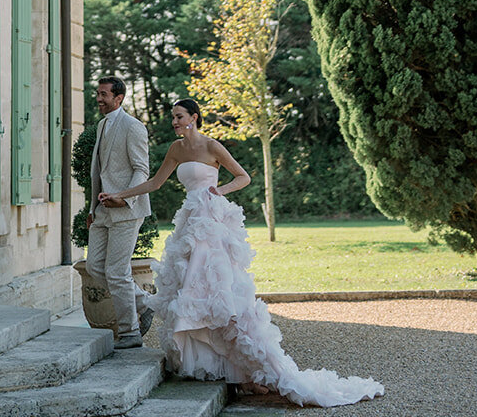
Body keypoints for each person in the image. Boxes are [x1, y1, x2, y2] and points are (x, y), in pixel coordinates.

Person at [102, 98, 384, 407]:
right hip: (189, 224)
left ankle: (245, 369)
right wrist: (119, 195)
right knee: (192, 289)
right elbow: (155, 183)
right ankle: (211, 365)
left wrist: (218, 191)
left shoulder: (212, 146)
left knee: (217, 291)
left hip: (211, 222)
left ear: (194, 117)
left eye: (179, 116)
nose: (174, 122)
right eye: (173, 117)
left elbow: (243, 176)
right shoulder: (176, 149)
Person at [86, 76, 155, 349]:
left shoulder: (133, 127)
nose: (99, 99)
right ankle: (145, 303)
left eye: (104, 94)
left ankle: (130, 332)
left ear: (119, 98)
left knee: (116, 271)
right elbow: (98, 173)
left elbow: (141, 169)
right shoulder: (102, 125)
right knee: (94, 266)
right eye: (98, 93)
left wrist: (124, 199)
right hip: (102, 212)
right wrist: (93, 208)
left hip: (127, 210)